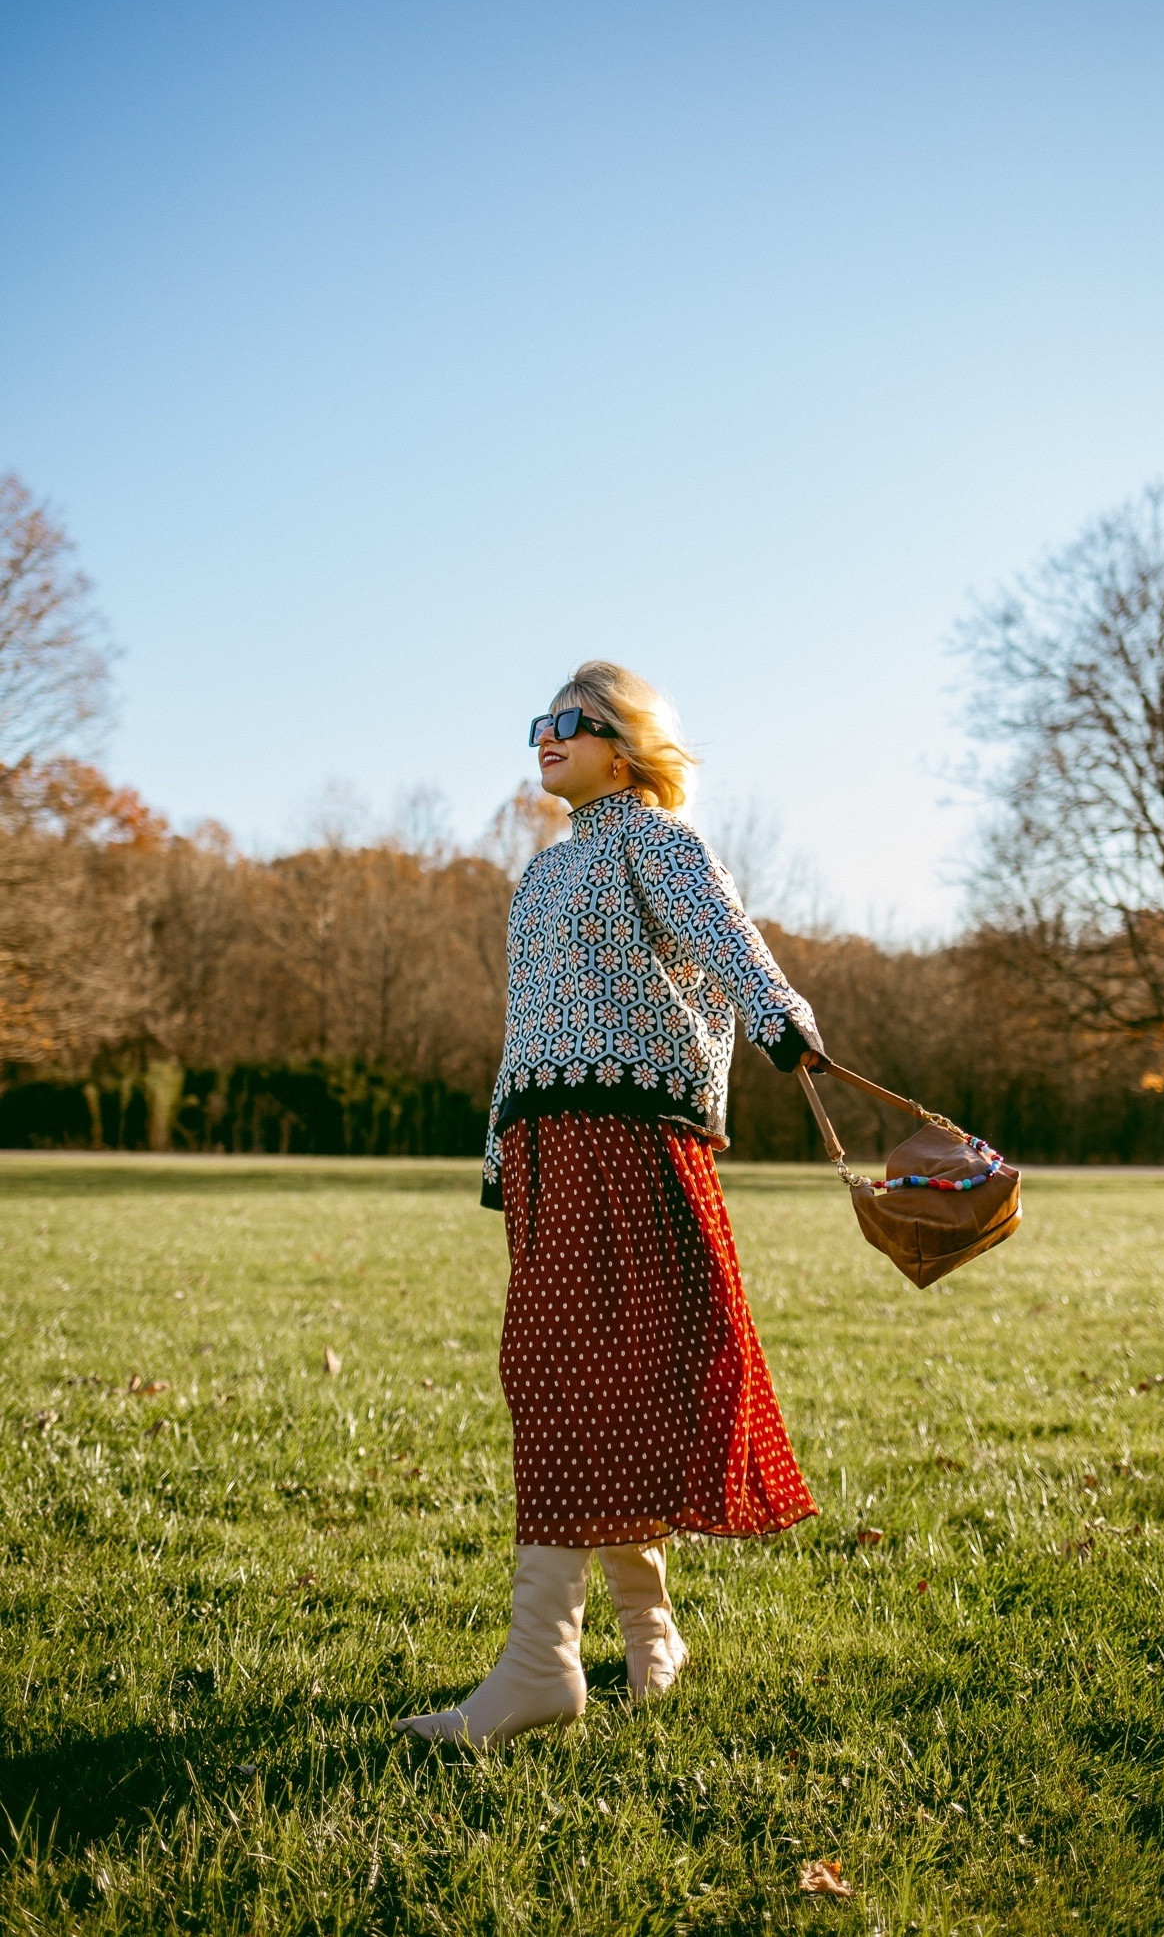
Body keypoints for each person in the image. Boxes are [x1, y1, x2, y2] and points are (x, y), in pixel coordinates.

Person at [395, 661, 822, 1747]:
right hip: (547, 1146)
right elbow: (523, 1025)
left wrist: (779, 1019)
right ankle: (648, 1635)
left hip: (631, 1140)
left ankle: (541, 1663)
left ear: (623, 745)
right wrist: (505, 1151)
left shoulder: (653, 839)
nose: (544, 737)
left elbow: (726, 939)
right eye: (537, 723)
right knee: (581, 1376)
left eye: (569, 723)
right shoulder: (541, 874)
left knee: (567, 1373)